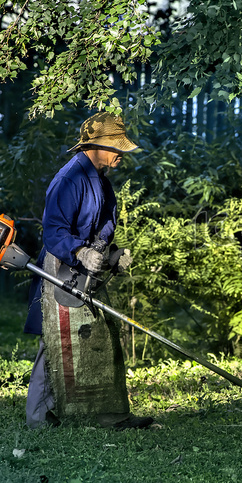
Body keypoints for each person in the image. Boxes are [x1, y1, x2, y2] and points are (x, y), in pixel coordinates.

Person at [24, 112, 153, 430]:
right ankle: (38, 417)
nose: (121, 154)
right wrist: (80, 251)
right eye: (116, 148)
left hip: (90, 271)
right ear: (95, 145)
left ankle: (108, 413)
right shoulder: (71, 178)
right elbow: (53, 232)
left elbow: (101, 233)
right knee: (55, 343)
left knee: (103, 336)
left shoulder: (103, 182)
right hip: (62, 267)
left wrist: (112, 255)